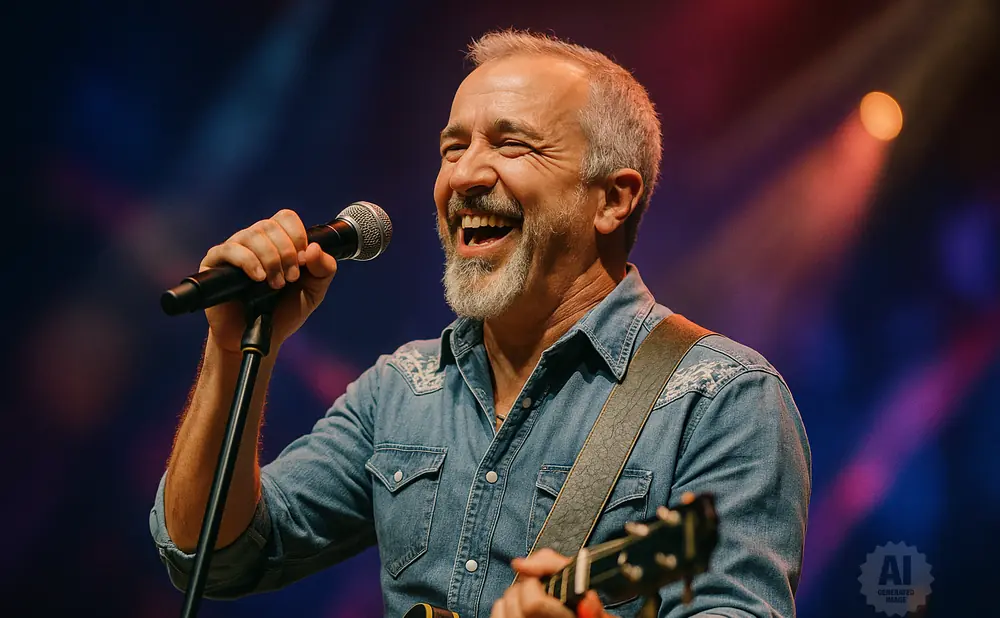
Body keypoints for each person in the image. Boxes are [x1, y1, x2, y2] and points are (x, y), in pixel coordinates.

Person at [150, 29, 811, 618]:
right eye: (452, 148)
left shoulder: (723, 400)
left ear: (612, 198)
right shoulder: (402, 388)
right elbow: (214, 552)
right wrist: (234, 348)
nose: (462, 176)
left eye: (511, 143)